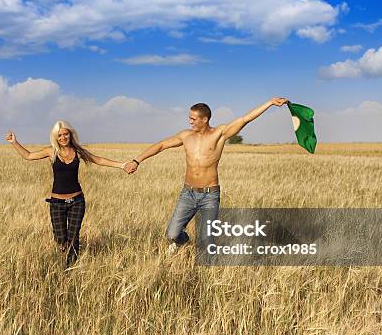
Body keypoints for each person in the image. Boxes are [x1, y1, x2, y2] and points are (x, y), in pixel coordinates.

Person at [124, 97, 289, 256]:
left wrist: (270, 103)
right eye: (189, 118)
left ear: (205, 119)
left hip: (210, 195)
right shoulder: (185, 136)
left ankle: (208, 271)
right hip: (188, 193)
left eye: (193, 119)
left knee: (206, 241)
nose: (190, 122)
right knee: (172, 234)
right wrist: (137, 160)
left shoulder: (219, 134)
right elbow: (161, 145)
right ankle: (182, 241)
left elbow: (245, 119)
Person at [6, 121, 128, 267]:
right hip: (57, 203)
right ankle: (65, 256)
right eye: (60, 135)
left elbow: (98, 160)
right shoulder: (51, 152)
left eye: (66, 134)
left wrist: (122, 165)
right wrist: (14, 142)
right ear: (55, 137)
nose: (63, 137)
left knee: (73, 236)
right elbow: (29, 156)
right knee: (60, 238)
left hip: (77, 201)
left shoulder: (78, 152)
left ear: (70, 134)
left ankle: (71, 267)